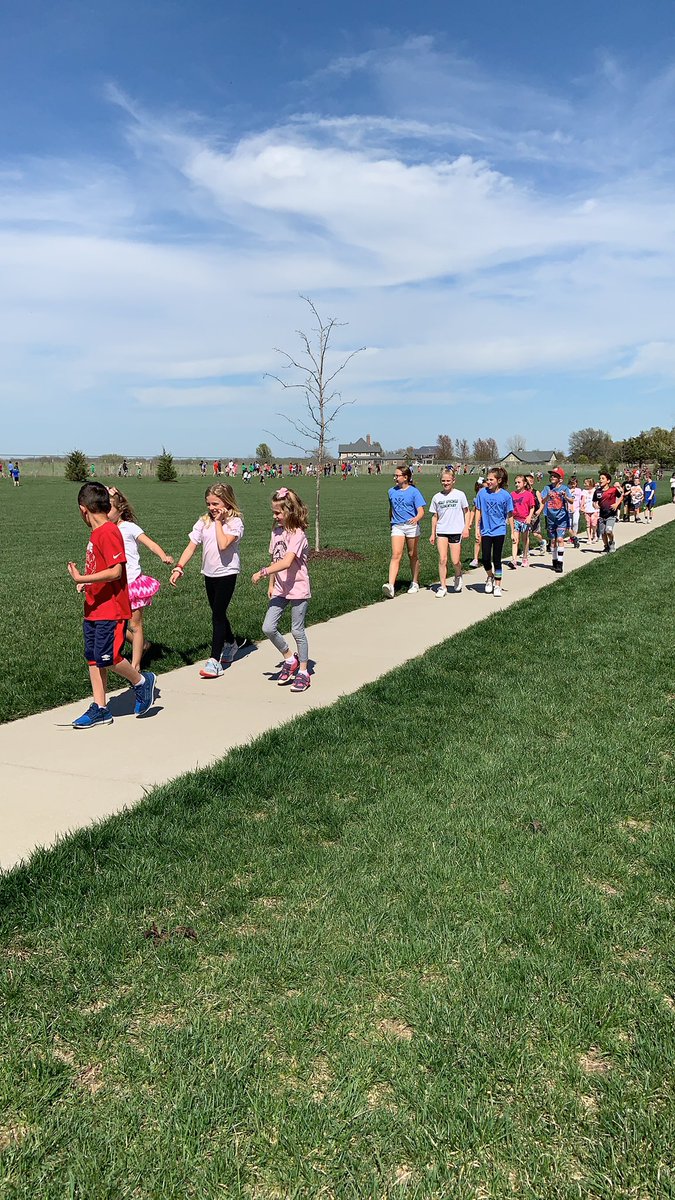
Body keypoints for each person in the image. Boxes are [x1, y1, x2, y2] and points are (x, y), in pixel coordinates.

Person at [67, 482, 157, 728]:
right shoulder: (97, 533)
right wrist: (87, 585)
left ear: (83, 510)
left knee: (108, 657)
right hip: (94, 608)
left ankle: (141, 681)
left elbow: (116, 571)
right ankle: (100, 708)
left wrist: (81, 578)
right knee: (94, 659)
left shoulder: (108, 532)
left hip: (111, 609)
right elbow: (101, 568)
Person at [169, 484, 245, 679]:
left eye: (215, 503)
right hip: (209, 573)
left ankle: (214, 661)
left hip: (227, 573)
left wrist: (219, 521)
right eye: (209, 504)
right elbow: (191, 547)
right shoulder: (203, 521)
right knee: (217, 612)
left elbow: (223, 544)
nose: (211, 508)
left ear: (227, 501)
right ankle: (231, 642)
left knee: (218, 615)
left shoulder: (235, 523)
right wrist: (179, 567)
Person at [252, 487, 311, 693]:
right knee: (268, 627)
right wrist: (271, 583)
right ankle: (289, 658)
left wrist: (262, 572)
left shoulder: (298, 535)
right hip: (280, 588)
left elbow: (286, 562)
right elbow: (275, 557)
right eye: (273, 512)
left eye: (278, 512)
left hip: (298, 588)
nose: (275, 516)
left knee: (297, 630)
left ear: (290, 512)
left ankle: (303, 671)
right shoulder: (276, 532)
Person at [108, 488, 174, 671]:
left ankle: (135, 665)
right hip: (114, 584)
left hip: (132, 583)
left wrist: (163, 556)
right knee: (114, 623)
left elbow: (150, 543)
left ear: (120, 511)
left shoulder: (129, 527)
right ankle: (143, 645)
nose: (105, 513)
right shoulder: (106, 530)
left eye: (109, 509)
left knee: (135, 625)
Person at [382, 465, 426, 598]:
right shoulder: (391, 491)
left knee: (412, 554)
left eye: (397, 475)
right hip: (397, 526)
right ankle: (391, 585)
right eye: (394, 475)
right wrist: (391, 522)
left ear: (405, 477)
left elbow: (421, 511)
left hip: (411, 526)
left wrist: (416, 518)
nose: (395, 477)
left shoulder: (414, 492)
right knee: (396, 554)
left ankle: (414, 582)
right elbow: (391, 509)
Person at [429, 468, 470, 594]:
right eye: (443, 481)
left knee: (455, 561)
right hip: (442, 530)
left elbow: (467, 511)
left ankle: (458, 575)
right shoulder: (437, 497)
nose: (446, 483)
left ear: (453, 481)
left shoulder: (460, 495)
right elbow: (435, 516)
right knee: (442, 559)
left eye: (448, 481)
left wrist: (466, 527)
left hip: (456, 531)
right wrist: (432, 533)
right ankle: (443, 586)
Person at [474, 467, 514, 596]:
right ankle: (490, 576)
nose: (489, 482)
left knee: (496, 559)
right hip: (486, 531)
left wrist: (513, 532)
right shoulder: (482, 493)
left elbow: (510, 514)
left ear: (499, 480)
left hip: (499, 531)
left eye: (491, 479)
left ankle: (497, 585)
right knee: (485, 559)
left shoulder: (505, 496)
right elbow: (478, 510)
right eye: (488, 479)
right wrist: (476, 528)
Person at [540, 467, 574, 573]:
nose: (552, 477)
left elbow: (572, 500)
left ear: (560, 479)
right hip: (550, 517)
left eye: (555, 476)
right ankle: (554, 560)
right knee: (553, 541)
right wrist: (547, 497)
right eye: (552, 475)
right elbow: (542, 500)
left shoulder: (564, 489)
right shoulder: (547, 488)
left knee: (560, 539)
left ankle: (560, 563)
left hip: (562, 518)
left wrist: (565, 497)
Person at [510, 474, 536, 567]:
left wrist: (529, 516)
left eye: (519, 482)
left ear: (524, 483)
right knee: (515, 540)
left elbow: (532, 507)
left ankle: (525, 557)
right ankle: (514, 560)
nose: (517, 484)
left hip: (525, 520)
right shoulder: (512, 494)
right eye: (515, 482)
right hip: (515, 519)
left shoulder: (528, 494)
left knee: (525, 540)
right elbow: (510, 509)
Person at [593, 472, 623, 553]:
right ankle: (606, 546)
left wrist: (616, 504)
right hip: (602, 515)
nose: (600, 480)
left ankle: (612, 543)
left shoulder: (613, 490)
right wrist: (595, 505)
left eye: (603, 478)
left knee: (608, 531)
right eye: (600, 478)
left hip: (611, 514)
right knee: (603, 533)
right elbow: (594, 502)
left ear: (608, 481)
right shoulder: (597, 491)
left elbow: (621, 496)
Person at [525, 473, 546, 553]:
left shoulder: (536, 492)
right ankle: (526, 551)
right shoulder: (524, 492)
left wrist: (539, 511)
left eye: (528, 481)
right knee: (526, 533)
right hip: (526, 515)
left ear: (532, 482)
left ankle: (542, 541)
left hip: (535, 515)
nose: (526, 483)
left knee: (535, 533)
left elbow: (542, 503)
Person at [468, 478, 485, 568]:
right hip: (480, 520)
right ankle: (476, 559)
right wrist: (470, 522)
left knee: (486, 540)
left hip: (488, 521)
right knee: (478, 539)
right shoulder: (478, 496)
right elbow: (473, 510)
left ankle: (486, 558)